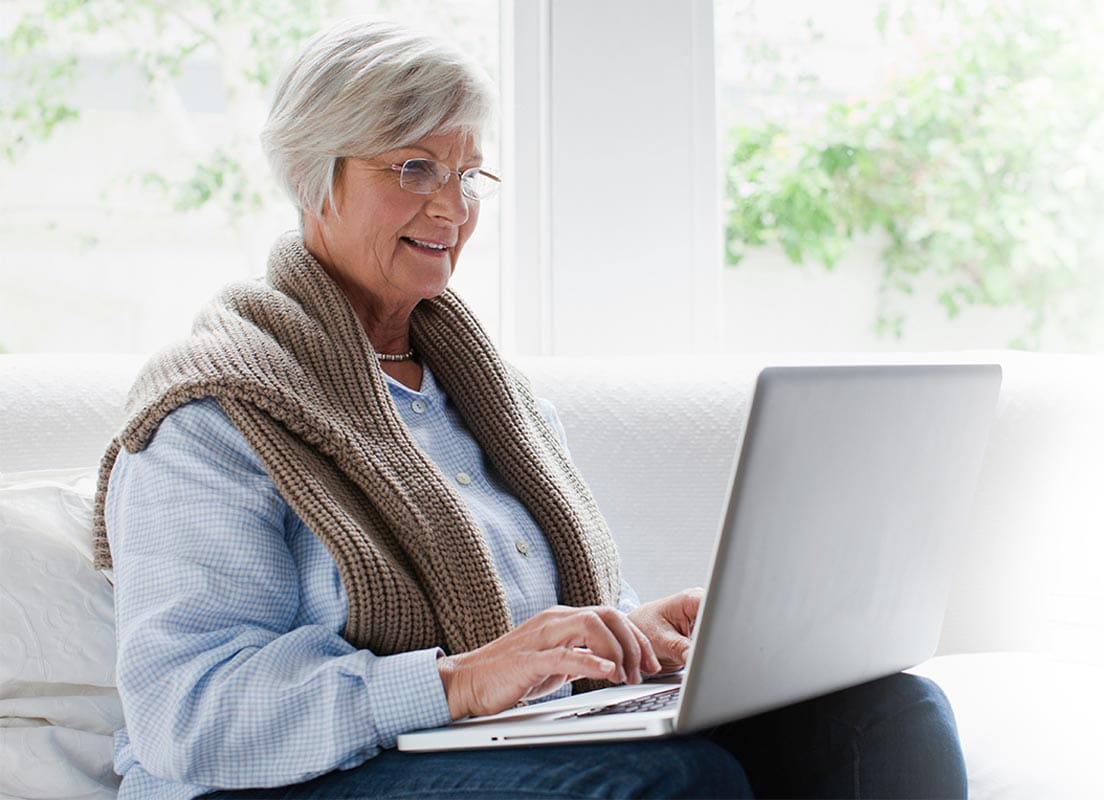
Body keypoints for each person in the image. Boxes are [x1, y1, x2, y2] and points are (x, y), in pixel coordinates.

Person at [94, 18, 968, 800]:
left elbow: (537, 635)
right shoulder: (212, 413)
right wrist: (458, 682)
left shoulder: (491, 397)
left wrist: (633, 632)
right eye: (415, 168)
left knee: (886, 712)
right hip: (295, 779)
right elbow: (188, 713)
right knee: (673, 782)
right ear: (313, 174)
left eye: (469, 174)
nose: (452, 208)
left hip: (488, 744)